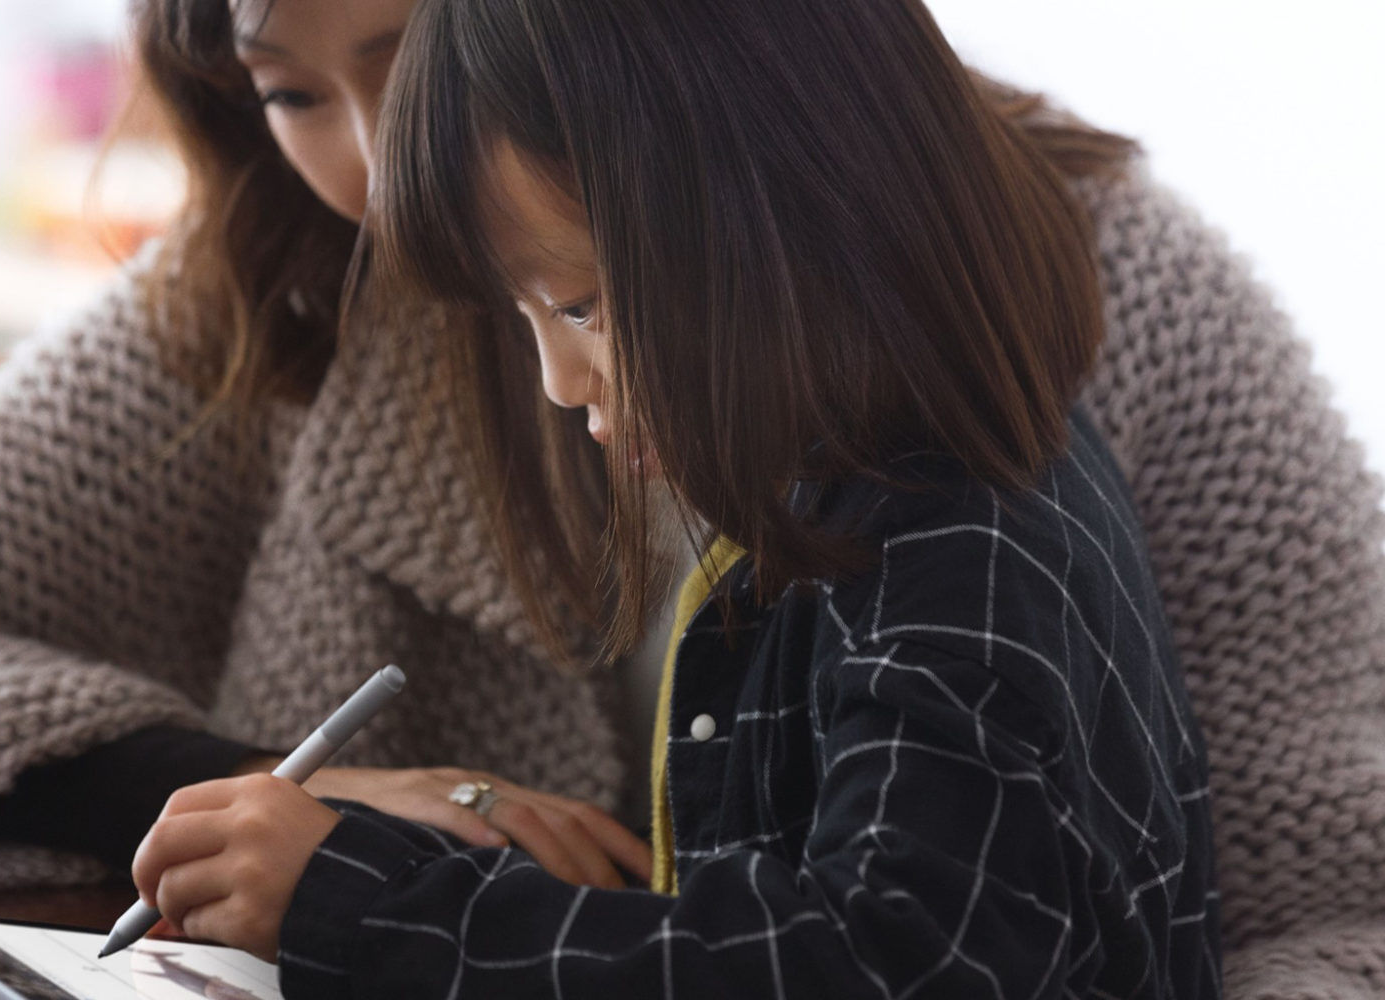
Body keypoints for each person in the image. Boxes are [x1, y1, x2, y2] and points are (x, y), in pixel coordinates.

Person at [0, 0, 1385, 992]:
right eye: (282, 83)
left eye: (419, 40)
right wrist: (287, 808)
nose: (362, 154)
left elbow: (894, 951)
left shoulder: (996, 438)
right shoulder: (290, 293)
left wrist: (363, 894)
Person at [126, 0, 1223, 996]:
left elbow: (883, 959)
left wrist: (363, 907)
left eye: (586, 306)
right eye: (527, 314)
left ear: (801, 208)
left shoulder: (965, 548)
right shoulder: (824, 506)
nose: (557, 383)